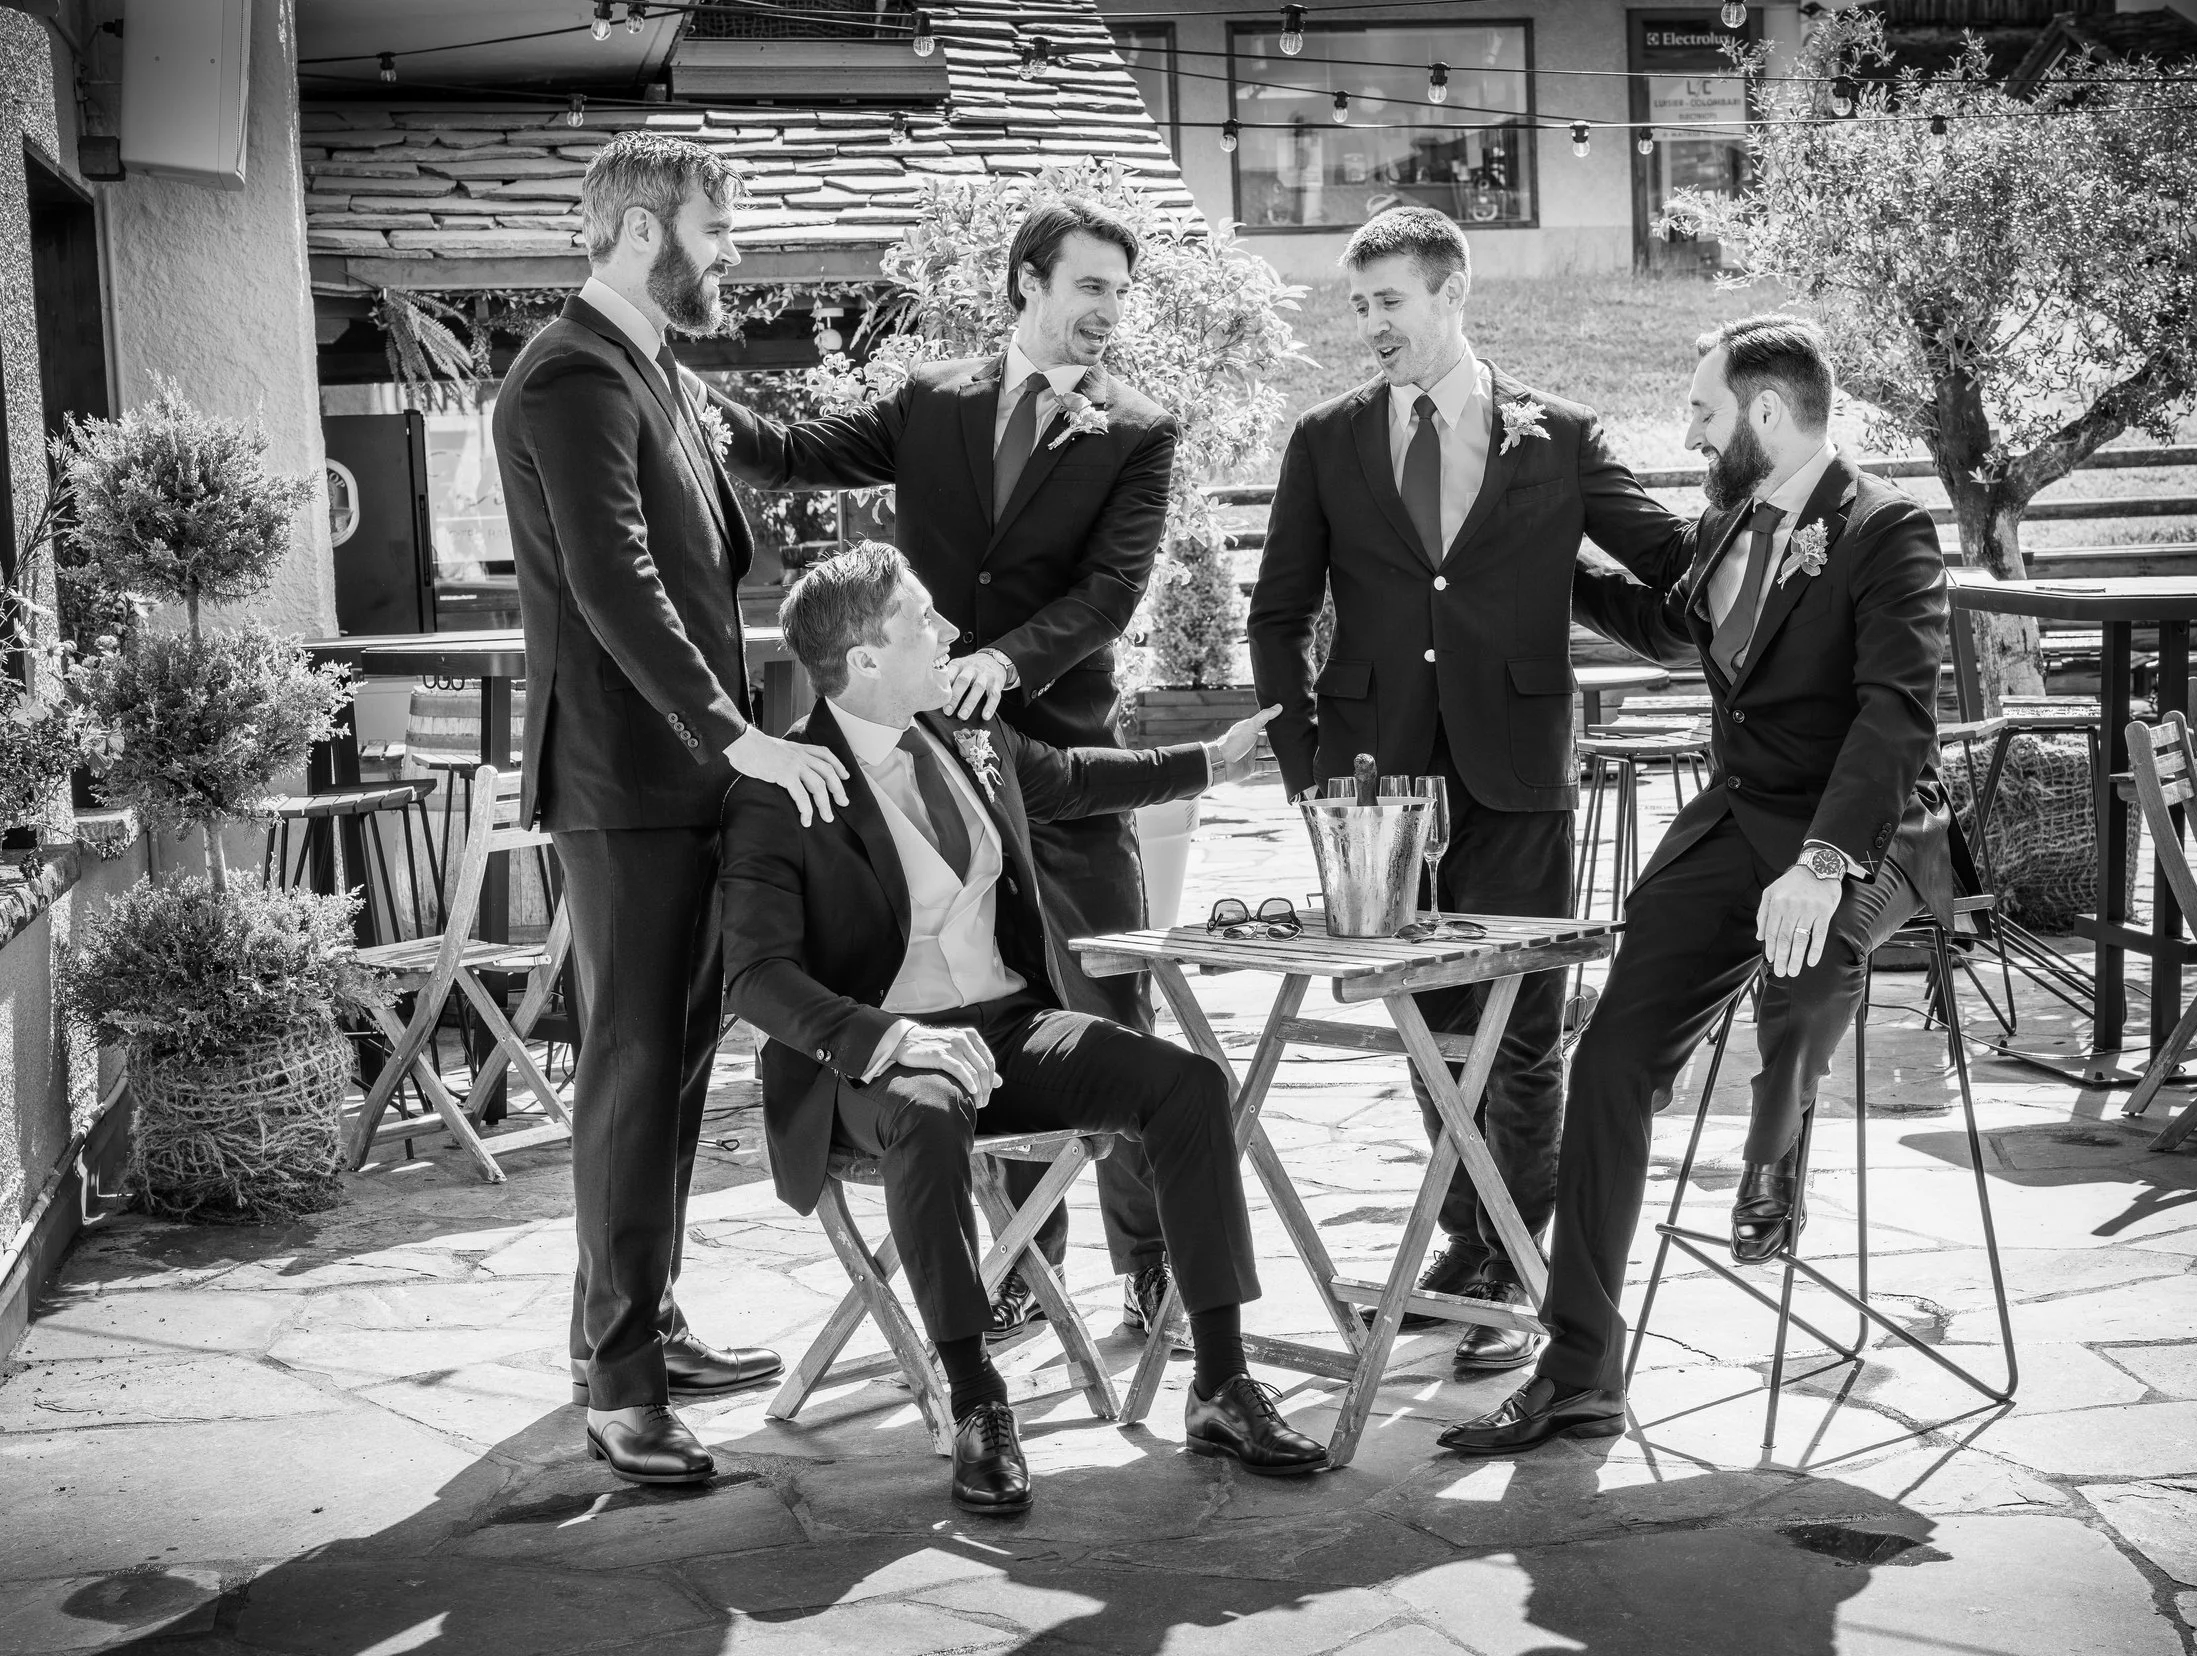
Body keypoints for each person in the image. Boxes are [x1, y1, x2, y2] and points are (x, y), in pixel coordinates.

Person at [1437, 314, 1959, 1456]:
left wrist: (1822, 860)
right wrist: (1548, 564)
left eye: (1703, 412)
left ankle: (1774, 1144)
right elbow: (1673, 623)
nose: (1688, 435)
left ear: (1765, 412)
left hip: (1859, 831)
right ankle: (1578, 1371)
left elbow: (1894, 714)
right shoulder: (1730, 521)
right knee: (1607, 1062)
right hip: (1732, 823)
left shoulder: (1886, 529)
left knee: (1809, 969)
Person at [718, 544, 1323, 1514]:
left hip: (1006, 1027)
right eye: (923, 618)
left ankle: (1220, 1380)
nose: (950, 632)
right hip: (871, 1064)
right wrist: (892, 1040)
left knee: (1188, 1084)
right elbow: (754, 976)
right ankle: (975, 1399)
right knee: (927, 1112)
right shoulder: (782, 784)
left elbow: (1074, 779)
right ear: (865, 658)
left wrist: (1210, 760)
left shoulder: (966, 734)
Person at [700, 200, 1181, 1348]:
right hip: (928, 770)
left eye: (1120, 291)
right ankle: (1020, 1270)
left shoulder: (1138, 429)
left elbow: (1111, 589)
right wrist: (684, 395)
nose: (1108, 311)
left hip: (1055, 760)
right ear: (1027, 283)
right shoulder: (931, 400)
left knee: (1112, 1011)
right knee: (984, 1009)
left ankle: (1149, 1265)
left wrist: (1003, 662)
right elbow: (796, 454)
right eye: (1090, 285)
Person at [1245, 206, 1685, 1372]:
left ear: (1451, 292)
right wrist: (1311, 778)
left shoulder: (1561, 435)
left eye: (1389, 301)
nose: (1371, 325)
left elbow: (1665, 561)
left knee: (1521, 1024)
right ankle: (1471, 1238)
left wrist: (1776, 550)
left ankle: (1512, 1253)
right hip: (1375, 782)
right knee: (1426, 1022)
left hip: (1517, 770)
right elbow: (1277, 615)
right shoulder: (1327, 439)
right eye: (1359, 306)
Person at [493, 130, 853, 1485]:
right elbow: (616, 580)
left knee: (679, 1061)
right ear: (644, 231)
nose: (731, 254)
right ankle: (621, 1385)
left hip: (684, 778)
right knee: (636, 1070)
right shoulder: (571, 375)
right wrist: (736, 737)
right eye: (717, 229)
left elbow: (763, 477)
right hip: (630, 781)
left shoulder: (656, 369)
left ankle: (641, 1319)